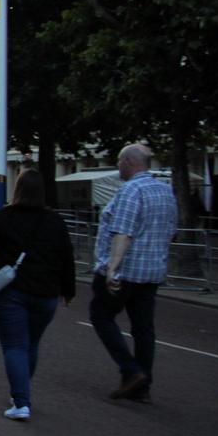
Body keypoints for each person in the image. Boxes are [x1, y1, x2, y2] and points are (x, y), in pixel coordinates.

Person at [0, 169, 76, 421]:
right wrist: (68, 290)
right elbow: (66, 256)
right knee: (30, 344)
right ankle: (20, 392)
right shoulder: (54, 221)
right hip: (46, 291)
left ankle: (21, 399)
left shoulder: (4, 217)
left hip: (11, 290)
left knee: (15, 345)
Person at [89, 143, 179, 403]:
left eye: (118, 161)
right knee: (143, 329)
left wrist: (112, 268)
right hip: (151, 272)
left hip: (126, 270)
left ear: (129, 162)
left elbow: (123, 232)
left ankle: (131, 371)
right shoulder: (165, 191)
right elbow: (172, 232)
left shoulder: (131, 191)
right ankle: (143, 387)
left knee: (101, 316)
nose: (117, 166)